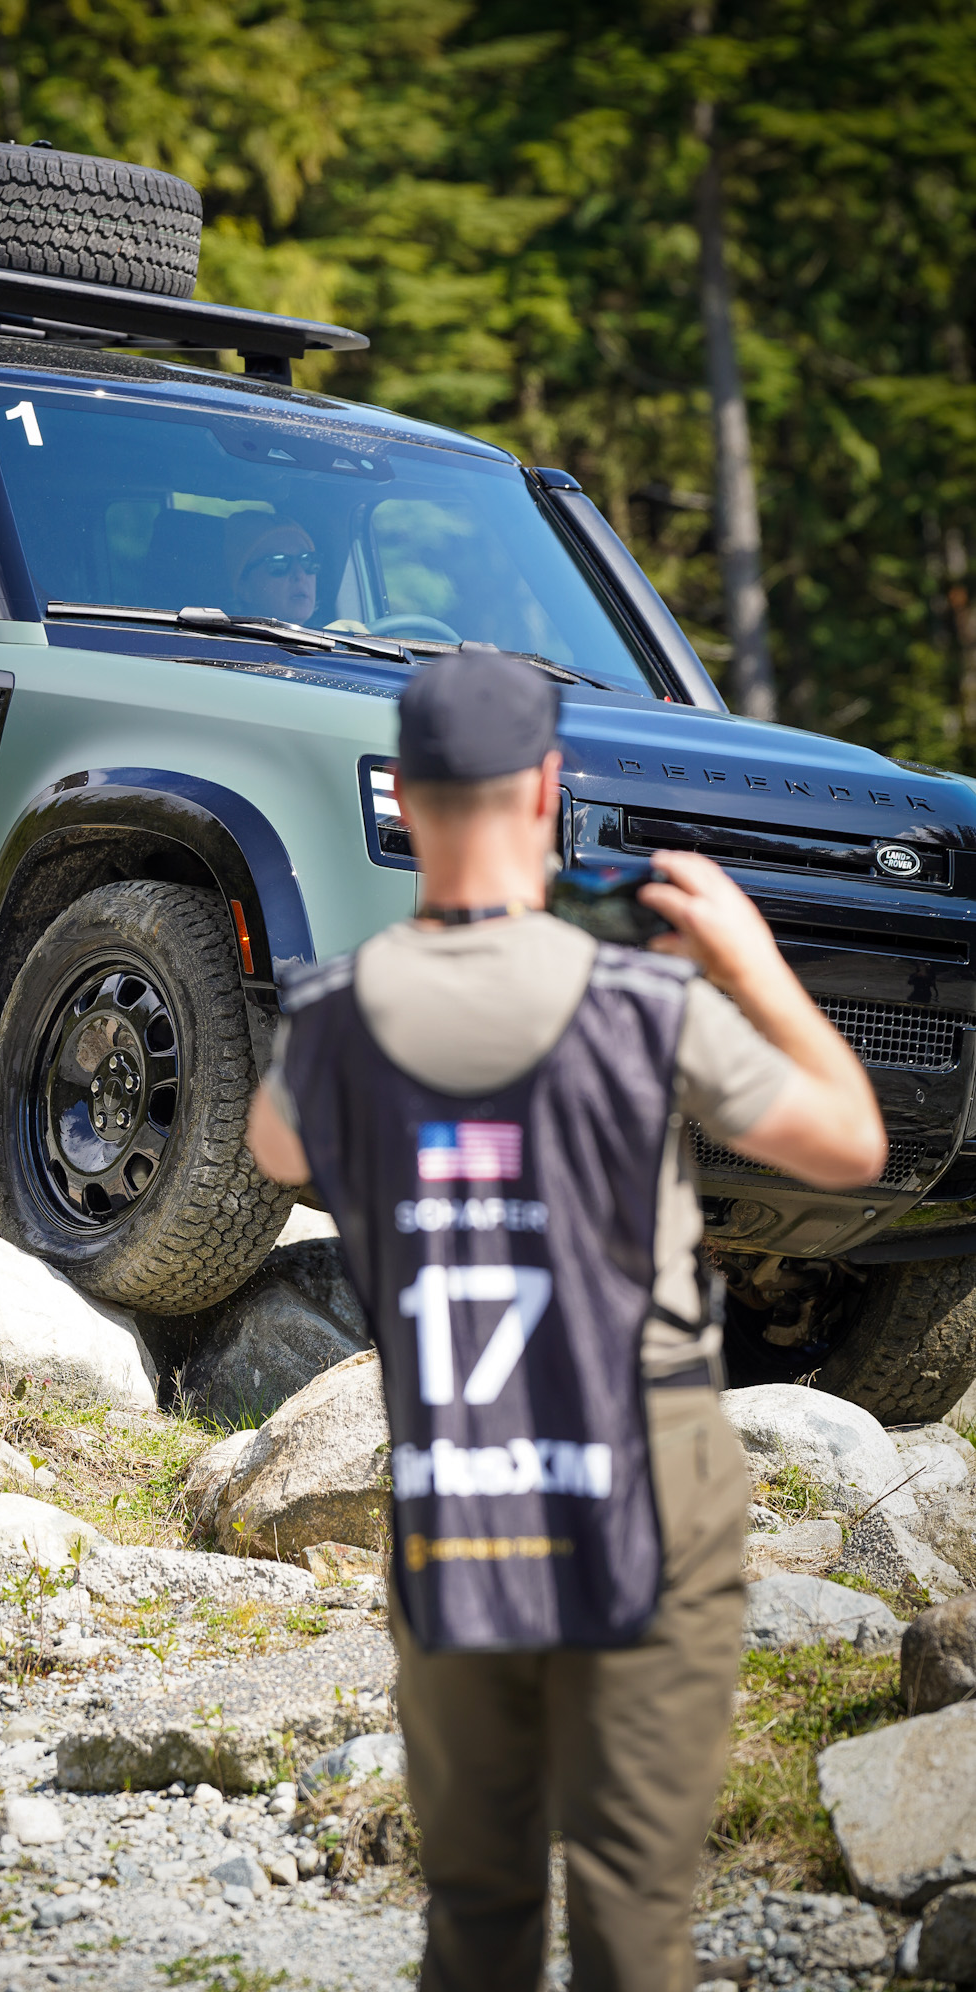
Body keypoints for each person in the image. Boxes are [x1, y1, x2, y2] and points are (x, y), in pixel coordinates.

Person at [246, 650, 886, 1992]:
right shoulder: (644, 1006)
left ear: (403, 803)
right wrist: (749, 961)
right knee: (630, 1900)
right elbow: (849, 1142)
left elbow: (276, 1150)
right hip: (640, 1467)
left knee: (475, 1909)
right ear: (547, 793)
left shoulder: (330, 1023)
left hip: (460, 1466)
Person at [224, 512, 319, 625]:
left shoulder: (339, 639)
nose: (300, 575)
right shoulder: (218, 642)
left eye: (307, 560)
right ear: (243, 588)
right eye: (279, 562)